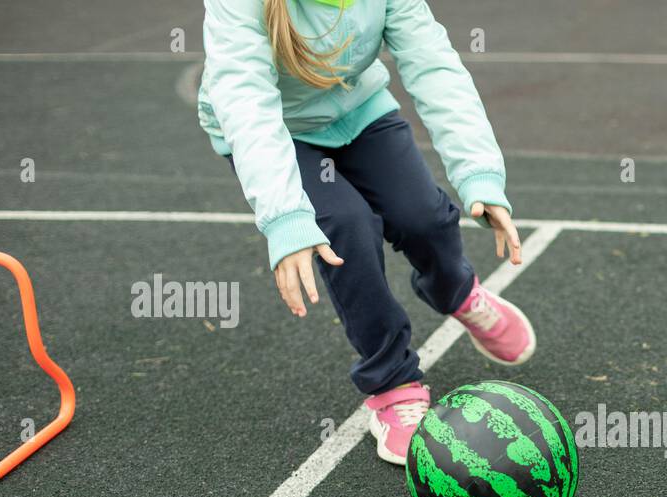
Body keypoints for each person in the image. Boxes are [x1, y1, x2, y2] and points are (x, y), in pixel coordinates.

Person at [199, 0, 533, 464]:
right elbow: (246, 101)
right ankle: (391, 382)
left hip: (359, 111)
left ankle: (455, 290)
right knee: (346, 230)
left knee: (421, 216)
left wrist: (479, 175)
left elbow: (435, 67)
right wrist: (286, 218)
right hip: (279, 132)